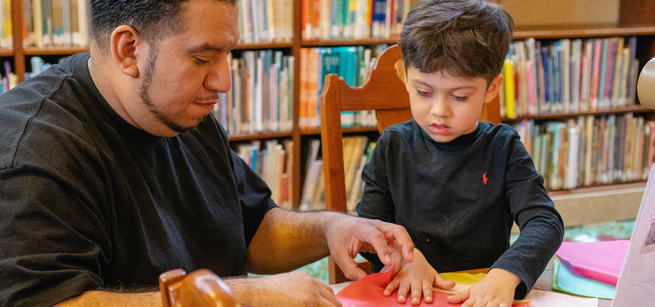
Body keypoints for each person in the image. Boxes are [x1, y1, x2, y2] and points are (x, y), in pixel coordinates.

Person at [0, 0, 416, 306]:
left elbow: (251, 226)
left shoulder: (176, 110)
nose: (223, 81)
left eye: (228, 53)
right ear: (128, 50)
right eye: (202, 57)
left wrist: (330, 227)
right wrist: (243, 298)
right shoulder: (35, 149)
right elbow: (46, 302)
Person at [355, 0, 565, 306]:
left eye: (460, 96)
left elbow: (545, 222)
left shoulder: (503, 147)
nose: (439, 111)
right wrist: (403, 258)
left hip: (480, 292)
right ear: (404, 75)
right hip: (405, 291)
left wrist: (506, 274)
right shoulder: (393, 146)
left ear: (492, 89)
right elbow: (368, 228)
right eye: (424, 92)